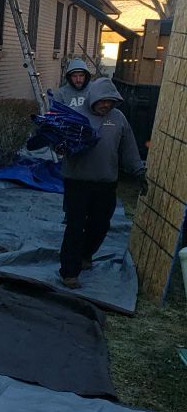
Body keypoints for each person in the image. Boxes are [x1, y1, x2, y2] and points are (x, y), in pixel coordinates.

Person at [59, 78, 146, 288]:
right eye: (102, 101)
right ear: (93, 98)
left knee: (100, 225)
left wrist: (139, 171)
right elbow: (59, 142)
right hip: (77, 182)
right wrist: (61, 146)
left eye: (110, 101)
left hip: (106, 183)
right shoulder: (76, 115)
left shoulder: (118, 119)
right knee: (75, 226)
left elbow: (129, 149)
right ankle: (69, 272)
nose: (105, 105)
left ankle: (85, 255)